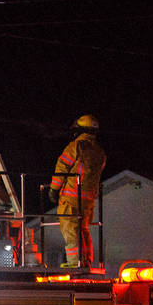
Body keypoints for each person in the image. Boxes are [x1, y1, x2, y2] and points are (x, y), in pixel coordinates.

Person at [48, 114, 106, 268]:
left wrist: (53, 189)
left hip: (71, 197)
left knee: (71, 230)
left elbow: (62, 168)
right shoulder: (99, 152)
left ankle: (75, 262)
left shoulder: (76, 146)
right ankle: (85, 261)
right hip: (88, 199)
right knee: (83, 230)